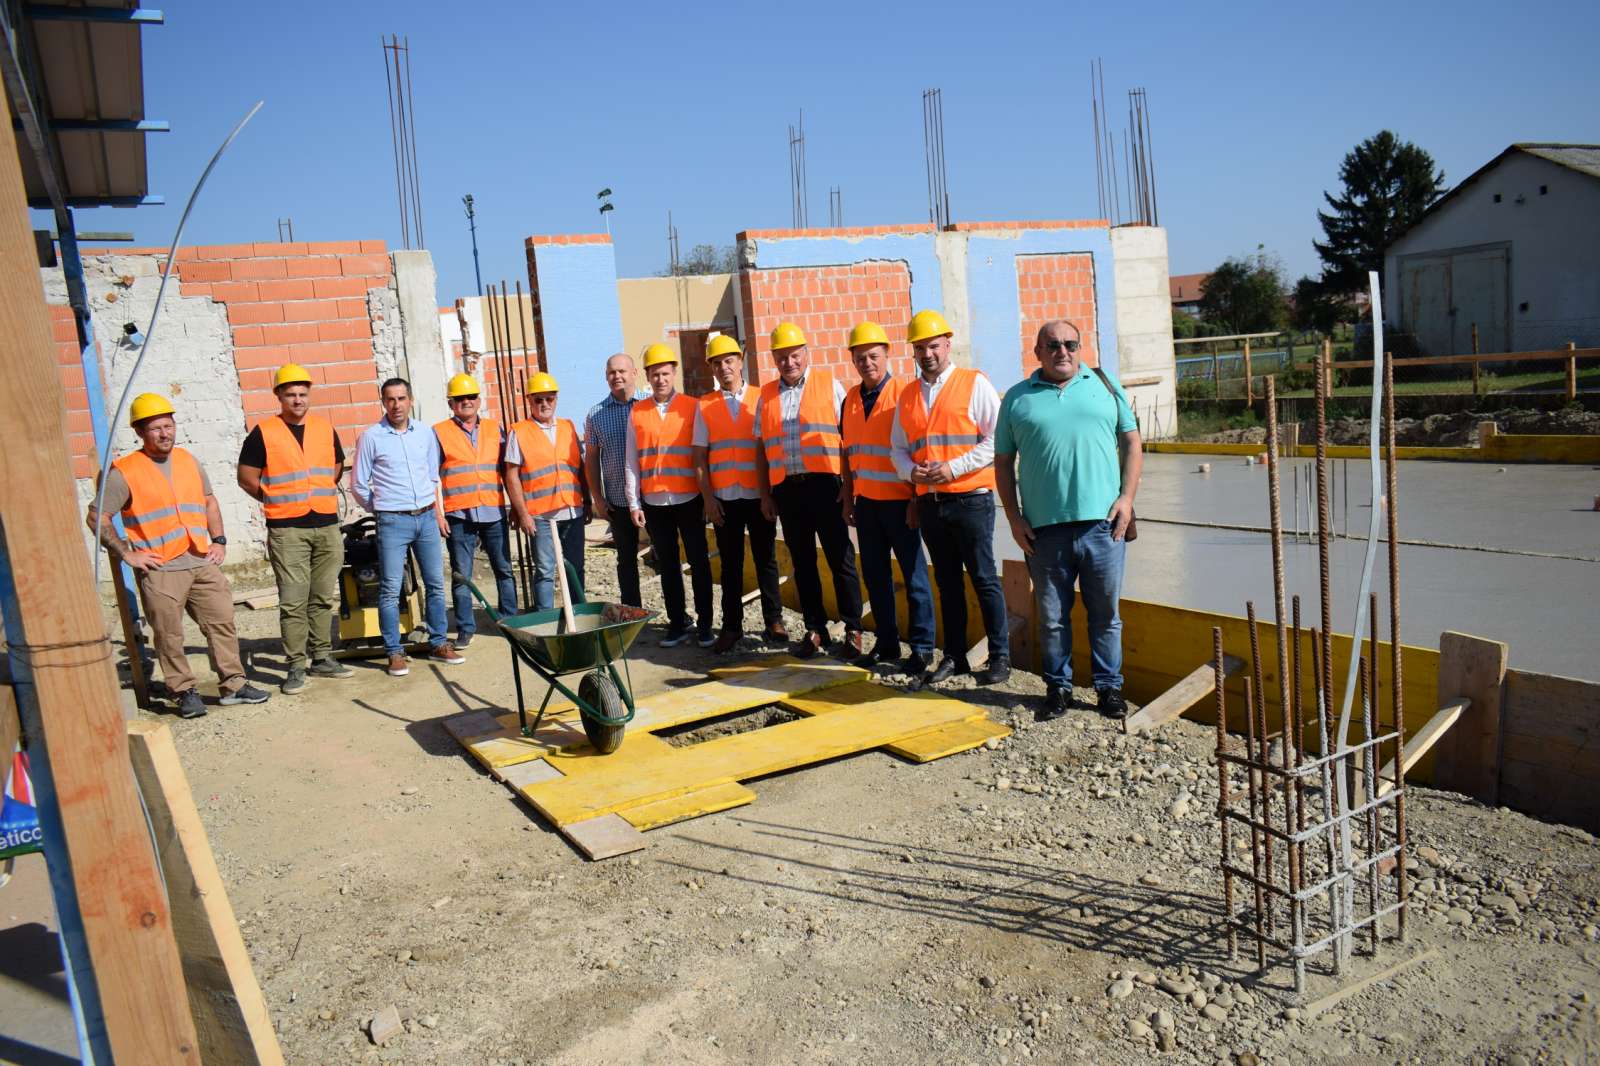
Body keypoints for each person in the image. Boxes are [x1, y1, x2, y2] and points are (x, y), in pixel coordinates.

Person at [996, 320, 1142, 721]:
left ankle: (1108, 688)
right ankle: (1057, 688)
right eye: (1053, 345)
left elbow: (1132, 442)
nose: (1063, 351)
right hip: (1044, 531)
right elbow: (1003, 462)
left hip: (1103, 526)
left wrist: (1127, 499)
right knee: (1053, 618)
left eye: (1070, 344)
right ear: (1038, 352)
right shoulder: (1017, 398)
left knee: (1106, 615)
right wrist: (1013, 518)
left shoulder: (1105, 385)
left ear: (1080, 348)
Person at [90, 394, 270, 718]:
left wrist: (219, 541)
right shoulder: (124, 472)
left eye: (168, 426)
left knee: (222, 622)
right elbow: (96, 516)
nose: (165, 433)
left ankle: (234, 685)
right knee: (169, 634)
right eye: (156, 428)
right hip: (161, 567)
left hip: (199, 557)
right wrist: (126, 554)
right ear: (139, 432)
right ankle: (184, 691)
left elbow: (209, 501)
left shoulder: (188, 460)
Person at [890, 309, 1010, 688]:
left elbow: (997, 438)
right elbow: (897, 449)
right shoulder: (908, 395)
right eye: (920, 348)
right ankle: (955, 657)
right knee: (947, 583)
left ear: (947, 344)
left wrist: (954, 469)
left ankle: (1000, 656)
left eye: (933, 346)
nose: (927, 354)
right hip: (930, 503)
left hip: (970, 500)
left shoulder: (974, 384)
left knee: (984, 578)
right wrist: (912, 472)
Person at [236, 363, 355, 695]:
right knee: (292, 601)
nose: (298, 400)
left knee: (322, 597)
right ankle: (295, 666)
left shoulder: (324, 428)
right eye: (290, 394)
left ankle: (322, 658)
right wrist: (275, 498)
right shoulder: (263, 433)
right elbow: (246, 478)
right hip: (287, 529)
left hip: (326, 524)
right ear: (279, 396)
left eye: (303, 393)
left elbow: (335, 467)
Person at [754, 322, 864, 659]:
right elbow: (760, 448)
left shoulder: (829, 385)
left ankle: (852, 628)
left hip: (826, 486)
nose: (789, 362)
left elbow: (848, 440)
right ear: (774, 358)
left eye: (794, 355)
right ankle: (815, 629)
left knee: (840, 559)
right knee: (802, 563)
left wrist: (849, 486)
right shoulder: (766, 396)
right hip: (787, 490)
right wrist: (766, 493)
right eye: (781, 357)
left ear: (806, 353)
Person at [351, 377, 464, 677]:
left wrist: (436, 512)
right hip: (392, 520)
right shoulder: (371, 437)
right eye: (390, 399)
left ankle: (438, 643)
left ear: (410, 400)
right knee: (391, 588)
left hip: (426, 517)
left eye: (401, 398)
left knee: (435, 583)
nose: (396, 405)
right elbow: (358, 484)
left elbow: (432, 475)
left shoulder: (425, 433)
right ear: (383, 402)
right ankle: (394, 651)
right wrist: (381, 508)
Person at [840, 321, 936, 675]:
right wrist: (849, 498)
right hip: (866, 504)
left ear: (886, 355)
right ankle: (887, 643)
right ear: (853, 360)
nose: (867, 363)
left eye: (873, 356)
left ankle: (922, 648)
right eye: (860, 357)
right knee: (876, 577)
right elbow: (847, 453)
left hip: (900, 503)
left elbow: (918, 450)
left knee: (914, 577)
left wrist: (915, 500)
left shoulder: (904, 394)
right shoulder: (850, 399)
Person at [693, 334, 786, 653]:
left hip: (759, 496)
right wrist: (708, 499)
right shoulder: (705, 405)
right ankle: (732, 627)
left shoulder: (762, 398)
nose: (724, 368)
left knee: (766, 559)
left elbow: (770, 447)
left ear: (740, 361)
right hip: (725, 499)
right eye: (717, 363)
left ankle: (774, 621)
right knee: (730, 565)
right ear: (712, 369)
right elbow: (700, 457)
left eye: (729, 361)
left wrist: (769, 494)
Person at [626, 344, 715, 647]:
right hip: (655, 502)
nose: (660, 379)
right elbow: (631, 460)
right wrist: (634, 502)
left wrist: (707, 495)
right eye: (655, 375)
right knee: (668, 566)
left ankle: (705, 624)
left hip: (689, 499)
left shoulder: (692, 406)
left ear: (674, 373)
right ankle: (677, 623)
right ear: (647, 377)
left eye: (665, 373)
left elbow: (703, 455)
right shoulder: (638, 412)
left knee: (699, 563)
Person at [435, 373, 516, 646]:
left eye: (471, 397)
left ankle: (509, 621)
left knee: (504, 569)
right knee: (462, 575)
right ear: (451, 403)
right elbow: (431, 478)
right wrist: (438, 513)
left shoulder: (496, 429)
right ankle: (466, 628)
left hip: (493, 510)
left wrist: (516, 507)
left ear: (479, 400)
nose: (466, 402)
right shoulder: (439, 433)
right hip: (459, 514)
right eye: (460, 398)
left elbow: (508, 472)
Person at [504, 372, 588, 611]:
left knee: (575, 568)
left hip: (572, 511)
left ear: (556, 399)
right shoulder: (519, 432)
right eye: (538, 399)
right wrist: (523, 514)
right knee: (544, 570)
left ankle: (578, 614)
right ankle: (546, 618)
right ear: (529, 401)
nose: (544, 404)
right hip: (540, 516)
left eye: (549, 399)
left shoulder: (568, 427)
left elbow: (580, 468)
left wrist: (588, 502)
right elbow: (512, 476)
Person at [583, 353, 643, 607]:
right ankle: (632, 611)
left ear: (634, 373)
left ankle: (677, 616)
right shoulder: (596, 415)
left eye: (622, 371)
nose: (617, 376)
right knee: (626, 560)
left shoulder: (648, 407)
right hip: (618, 501)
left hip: (652, 498)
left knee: (666, 557)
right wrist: (597, 497)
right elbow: (591, 459)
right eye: (611, 372)